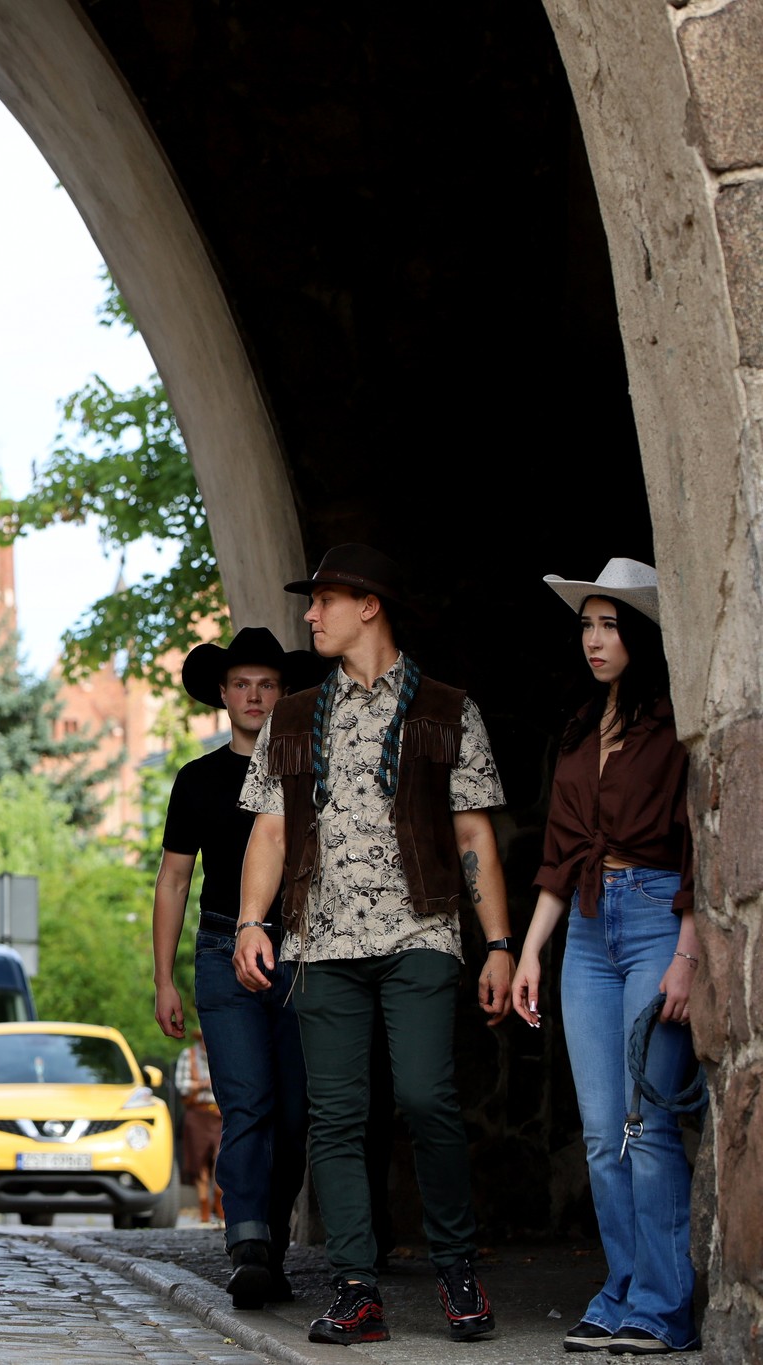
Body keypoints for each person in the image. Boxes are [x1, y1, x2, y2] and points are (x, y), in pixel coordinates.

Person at [235, 544, 515, 1346]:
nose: (310, 614)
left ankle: (457, 1268)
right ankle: (356, 1289)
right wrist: (252, 921)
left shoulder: (447, 709)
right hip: (320, 943)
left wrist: (498, 942)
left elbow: (474, 834)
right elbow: (270, 831)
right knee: (336, 1117)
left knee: (426, 1096)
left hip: (421, 930)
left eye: (324, 600)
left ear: (369, 606)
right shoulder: (293, 716)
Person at [511, 559, 700, 1356]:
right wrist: (530, 952)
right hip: (586, 929)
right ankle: (621, 1287)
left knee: (646, 1124)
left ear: (641, 635)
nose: (593, 639)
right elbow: (559, 858)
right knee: (599, 1131)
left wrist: (688, 953)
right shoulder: (581, 729)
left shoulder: (675, 723)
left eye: (610, 625)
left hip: (656, 917)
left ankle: (663, 1305)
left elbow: (697, 847)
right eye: (586, 624)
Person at [153, 626, 316, 1305]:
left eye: (267, 684)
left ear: (284, 694)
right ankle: (246, 1244)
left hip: (303, 953)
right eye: (242, 683)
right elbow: (173, 880)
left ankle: (269, 1240)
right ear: (222, 693)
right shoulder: (196, 780)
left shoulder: (311, 776)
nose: (254, 695)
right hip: (224, 951)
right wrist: (163, 978)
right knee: (246, 1100)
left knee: (296, 1112)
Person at [174, 1030, 223, 1226]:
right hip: (197, 1114)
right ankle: (204, 1208)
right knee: (198, 1163)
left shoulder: (222, 1053)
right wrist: (203, 1084)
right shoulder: (189, 1055)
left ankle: (219, 1201)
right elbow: (182, 1085)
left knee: (221, 1158)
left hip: (219, 1115)